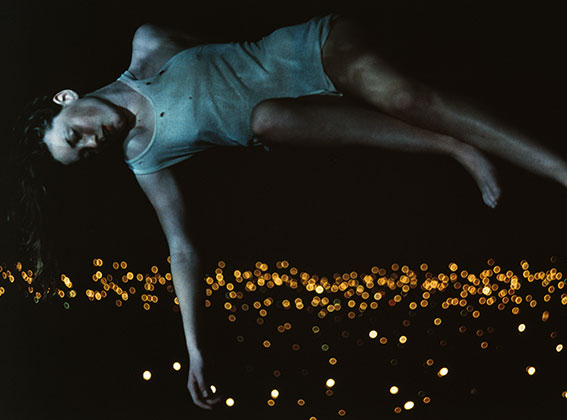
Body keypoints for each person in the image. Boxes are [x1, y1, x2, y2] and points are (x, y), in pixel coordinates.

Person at [13, 14, 567, 409]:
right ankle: (457, 147)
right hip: (305, 116)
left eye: (75, 135)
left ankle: (486, 152)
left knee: (406, 101)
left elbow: (229, 52)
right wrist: (196, 350)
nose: (92, 144)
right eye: (83, 155)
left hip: (313, 51)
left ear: (67, 99)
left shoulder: (149, 42)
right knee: (267, 122)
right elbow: (181, 247)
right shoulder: (145, 155)